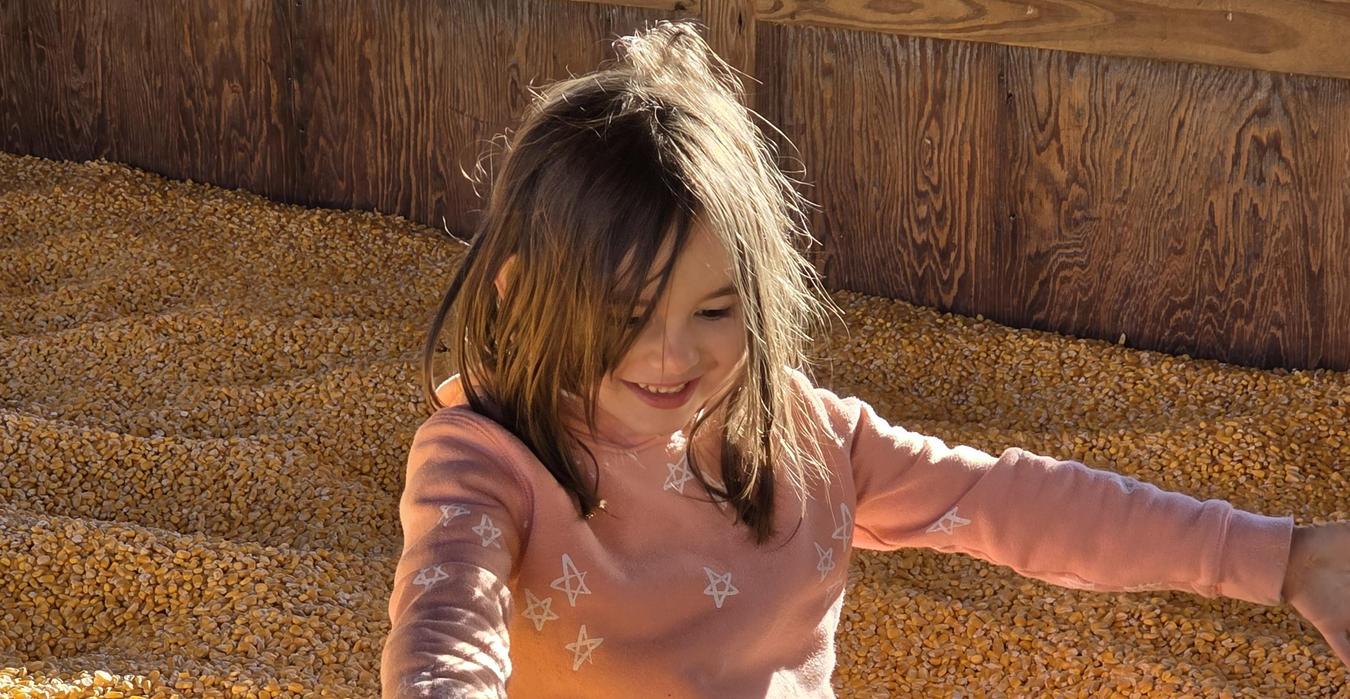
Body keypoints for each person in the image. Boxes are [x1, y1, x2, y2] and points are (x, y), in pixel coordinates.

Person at [380, 19, 1350, 698]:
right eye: (625, 315)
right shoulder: (487, 462)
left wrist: (1289, 558)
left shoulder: (803, 438)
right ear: (521, 293)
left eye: (716, 310)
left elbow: (1020, 505)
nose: (671, 355)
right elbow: (445, 637)